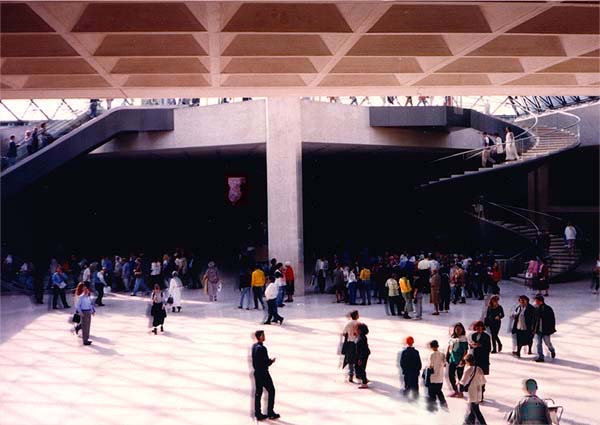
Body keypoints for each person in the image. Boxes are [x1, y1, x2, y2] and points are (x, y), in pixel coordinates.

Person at [252, 330, 280, 421]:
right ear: (260, 337)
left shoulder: (254, 347)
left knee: (258, 393)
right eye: (263, 335)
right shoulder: (262, 348)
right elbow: (265, 362)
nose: (264, 336)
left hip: (257, 373)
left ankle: (258, 413)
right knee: (271, 390)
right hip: (263, 373)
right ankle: (270, 412)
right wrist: (271, 361)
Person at [460, 354, 487, 424]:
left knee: (475, 409)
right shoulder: (479, 369)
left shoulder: (468, 370)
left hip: (472, 391)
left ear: (467, 362)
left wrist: (458, 384)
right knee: (473, 408)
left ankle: (482, 423)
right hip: (478, 391)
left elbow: (462, 381)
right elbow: (483, 381)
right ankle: (468, 422)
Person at [469, 320, 491, 399]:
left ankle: (482, 392)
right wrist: (472, 345)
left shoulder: (486, 336)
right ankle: (476, 392)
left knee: (481, 377)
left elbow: (489, 348)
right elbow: (471, 346)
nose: (478, 329)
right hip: (475, 358)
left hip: (483, 359)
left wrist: (480, 345)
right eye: (477, 327)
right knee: (475, 376)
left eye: (480, 327)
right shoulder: (473, 335)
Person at [532, 295, 556, 363]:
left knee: (547, 343)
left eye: (536, 301)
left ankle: (552, 350)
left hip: (546, 330)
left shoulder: (548, 309)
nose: (535, 302)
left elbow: (552, 320)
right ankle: (541, 356)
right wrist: (533, 329)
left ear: (540, 301)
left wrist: (551, 329)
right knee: (538, 344)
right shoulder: (536, 309)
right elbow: (534, 319)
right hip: (538, 330)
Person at [447, 322, 468, 398]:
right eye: (456, 329)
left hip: (460, 360)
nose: (458, 330)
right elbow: (449, 348)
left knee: (460, 377)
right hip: (452, 359)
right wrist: (447, 357)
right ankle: (455, 390)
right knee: (450, 375)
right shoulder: (453, 338)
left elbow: (465, 351)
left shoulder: (463, 339)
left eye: (459, 329)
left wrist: (463, 359)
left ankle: (461, 392)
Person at [426, 340, 447, 409]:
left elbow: (430, 366)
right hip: (440, 377)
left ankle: (432, 408)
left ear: (431, 347)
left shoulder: (431, 355)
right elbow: (445, 364)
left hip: (433, 377)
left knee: (431, 394)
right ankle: (444, 405)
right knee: (439, 392)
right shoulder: (442, 354)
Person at [342, 310, 360, 383]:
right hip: (357, 343)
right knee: (357, 358)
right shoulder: (359, 324)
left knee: (350, 360)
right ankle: (358, 374)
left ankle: (351, 375)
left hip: (350, 343)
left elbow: (344, 333)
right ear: (356, 316)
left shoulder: (348, 324)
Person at [355, 323, 371, 389]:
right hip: (364, 354)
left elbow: (362, 349)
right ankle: (363, 379)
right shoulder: (361, 336)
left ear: (360, 330)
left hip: (362, 355)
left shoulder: (361, 339)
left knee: (361, 368)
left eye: (357, 329)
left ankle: (364, 382)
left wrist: (360, 359)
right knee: (362, 367)